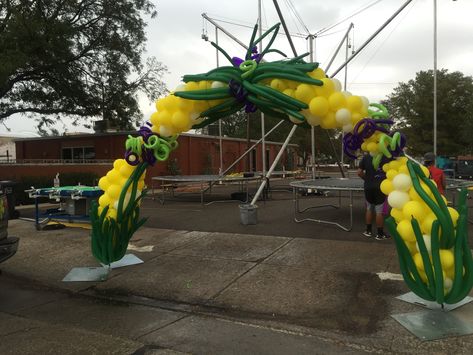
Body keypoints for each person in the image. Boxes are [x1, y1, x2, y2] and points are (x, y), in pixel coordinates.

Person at [357, 153, 389, 240]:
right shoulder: (386, 157)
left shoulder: (366, 157)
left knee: (369, 208)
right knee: (379, 211)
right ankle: (380, 234)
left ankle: (368, 231)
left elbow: (359, 172)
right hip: (380, 186)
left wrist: (367, 179)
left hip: (368, 186)